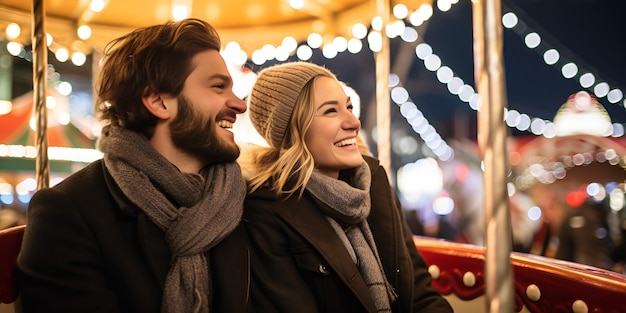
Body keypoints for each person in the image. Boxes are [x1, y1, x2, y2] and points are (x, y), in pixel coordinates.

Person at [16, 18, 251, 313]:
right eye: (218, 87)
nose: (240, 105)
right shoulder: (68, 213)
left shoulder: (245, 202)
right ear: (158, 101)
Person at [240, 61, 453, 312]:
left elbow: (419, 292)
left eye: (349, 107)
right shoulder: (266, 214)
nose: (353, 122)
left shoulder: (374, 185)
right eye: (331, 111)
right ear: (292, 131)